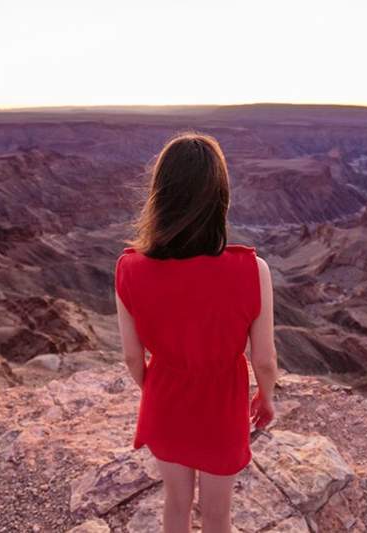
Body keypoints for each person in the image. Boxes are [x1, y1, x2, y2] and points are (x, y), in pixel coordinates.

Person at [113, 130, 278, 533]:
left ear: (161, 196)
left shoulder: (129, 269)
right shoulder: (251, 272)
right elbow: (265, 360)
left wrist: (154, 387)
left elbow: (133, 357)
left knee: (176, 504)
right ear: (219, 198)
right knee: (218, 514)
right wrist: (266, 397)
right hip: (222, 406)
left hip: (165, 400)